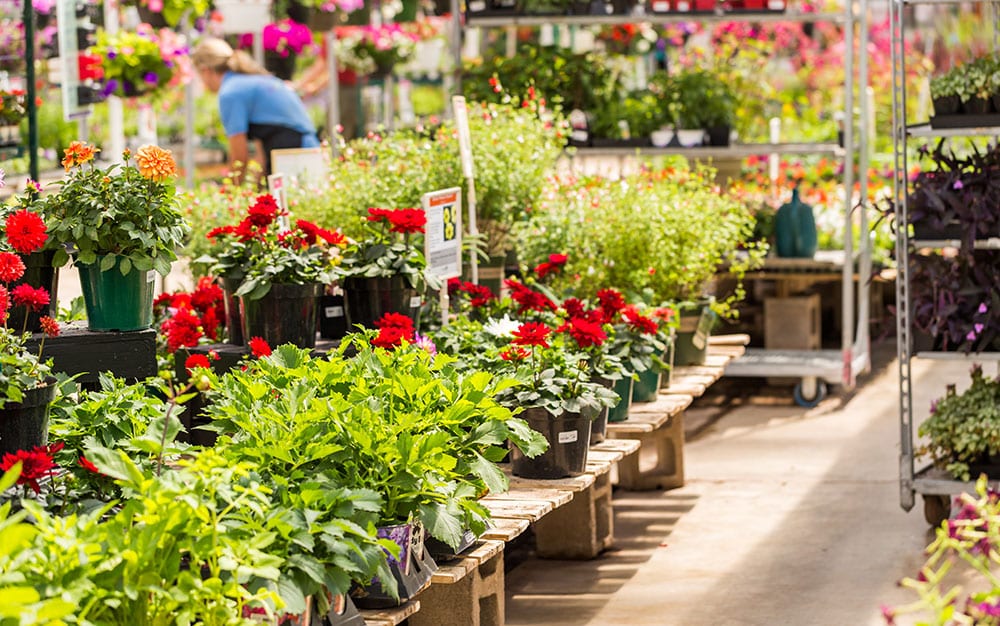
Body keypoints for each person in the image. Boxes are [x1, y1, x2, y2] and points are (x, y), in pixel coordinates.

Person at [191, 37, 320, 181]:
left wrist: (231, 197)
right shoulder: (249, 81)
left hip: (292, 154)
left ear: (206, 70)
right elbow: (261, 157)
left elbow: (239, 158)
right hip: (307, 150)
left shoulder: (230, 92)